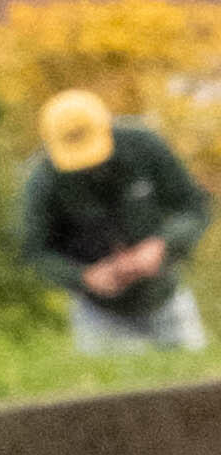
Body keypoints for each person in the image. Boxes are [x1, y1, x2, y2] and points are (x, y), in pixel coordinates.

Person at [22, 83, 209, 354]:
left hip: (167, 300)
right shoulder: (42, 181)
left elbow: (194, 207)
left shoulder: (145, 147)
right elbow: (35, 251)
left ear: (108, 126)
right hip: (99, 315)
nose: (88, 164)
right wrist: (84, 277)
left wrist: (163, 244)